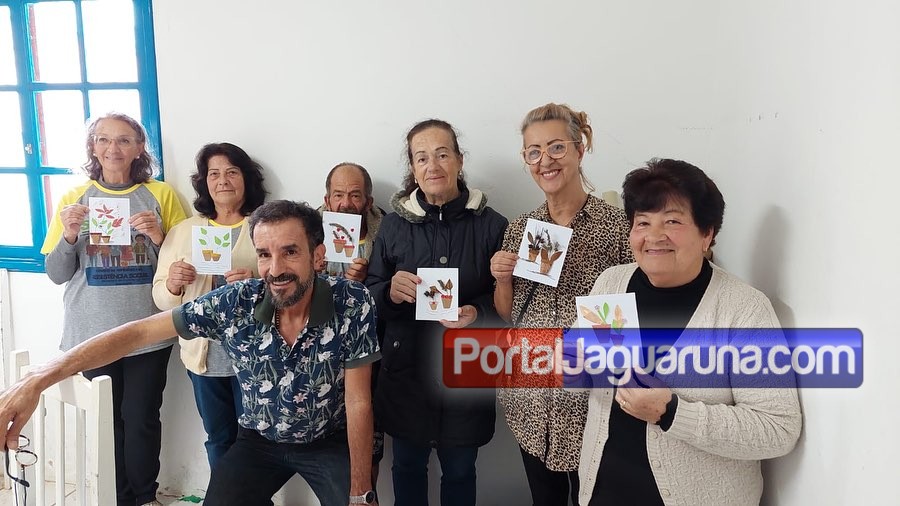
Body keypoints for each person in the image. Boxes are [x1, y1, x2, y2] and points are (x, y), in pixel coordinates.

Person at [6, 200, 380, 506]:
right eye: (264, 254)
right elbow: (137, 333)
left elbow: (358, 401)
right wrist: (39, 377)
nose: (275, 269)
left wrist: (361, 493)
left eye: (290, 252)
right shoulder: (236, 302)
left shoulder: (352, 302)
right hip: (258, 441)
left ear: (317, 255)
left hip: (327, 440)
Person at [577, 159, 801, 506]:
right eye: (643, 222)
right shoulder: (612, 282)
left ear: (707, 233)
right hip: (602, 489)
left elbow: (778, 429)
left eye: (672, 221)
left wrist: (671, 412)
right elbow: (592, 373)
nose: (654, 236)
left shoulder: (742, 309)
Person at [41, 112, 187, 506]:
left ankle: (145, 497)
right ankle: (117, 497)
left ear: (139, 148)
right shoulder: (74, 198)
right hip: (91, 331)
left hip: (149, 331)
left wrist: (158, 236)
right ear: (93, 147)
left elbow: (184, 267)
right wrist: (70, 234)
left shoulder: (161, 195)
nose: (113, 148)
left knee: (141, 419)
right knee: (105, 421)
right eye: (103, 139)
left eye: (124, 140)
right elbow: (56, 274)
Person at [490, 103, 633, 506]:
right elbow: (508, 313)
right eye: (533, 152)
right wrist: (502, 279)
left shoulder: (616, 227)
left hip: (591, 399)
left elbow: (632, 316)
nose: (545, 161)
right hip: (531, 398)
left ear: (579, 150)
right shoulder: (522, 228)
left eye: (556, 147)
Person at [365, 119, 508, 506]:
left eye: (443, 154)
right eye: (422, 158)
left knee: (460, 470)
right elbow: (371, 292)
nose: (433, 166)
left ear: (459, 160)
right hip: (405, 369)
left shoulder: (493, 225)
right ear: (413, 169)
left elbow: (507, 299)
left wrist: (476, 312)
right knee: (407, 466)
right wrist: (389, 292)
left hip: (467, 367)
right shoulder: (393, 225)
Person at [152, 142, 268, 473]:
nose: (223, 181)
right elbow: (161, 297)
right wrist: (174, 284)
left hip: (255, 356)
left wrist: (255, 284)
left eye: (232, 172)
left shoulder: (264, 227)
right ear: (204, 182)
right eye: (213, 174)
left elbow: (287, 288)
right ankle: (224, 495)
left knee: (257, 440)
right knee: (219, 438)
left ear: (246, 178)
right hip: (204, 357)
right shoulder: (185, 231)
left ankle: (255, 496)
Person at [318, 162, 387, 488]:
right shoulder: (307, 235)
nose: (346, 203)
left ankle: (365, 496)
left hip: (369, 355)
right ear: (327, 200)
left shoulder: (387, 233)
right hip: (320, 360)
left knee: (368, 446)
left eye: (355, 195)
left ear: (368, 202)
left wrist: (366, 283)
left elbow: (391, 293)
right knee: (328, 449)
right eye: (338, 195)